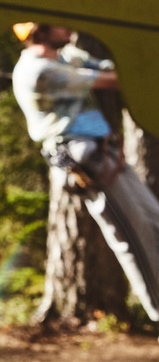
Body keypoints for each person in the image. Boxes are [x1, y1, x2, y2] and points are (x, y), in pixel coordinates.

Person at [12, 21, 159, 318]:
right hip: (82, 155)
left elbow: (112, 64)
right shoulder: (38, 71)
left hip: (105, 150)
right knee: (134, 235)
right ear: (39, 31)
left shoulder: (67, 56)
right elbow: (111, 78)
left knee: (154, 221)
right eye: (58, 24)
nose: (69, 27)